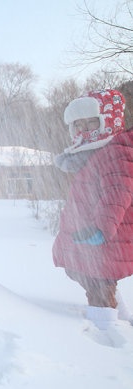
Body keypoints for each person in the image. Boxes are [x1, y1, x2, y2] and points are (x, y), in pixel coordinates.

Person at [52, 89, 133, 330]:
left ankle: (107, 334)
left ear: (108, 121)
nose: (84, 129)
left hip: (105, 237)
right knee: (87, 275)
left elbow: (118, 193)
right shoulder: (98, 153)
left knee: (97, 280)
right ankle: (121, 318)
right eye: (78, 124)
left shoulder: (115, 152)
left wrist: (101, 227)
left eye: (90, 122)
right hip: (89, 235)